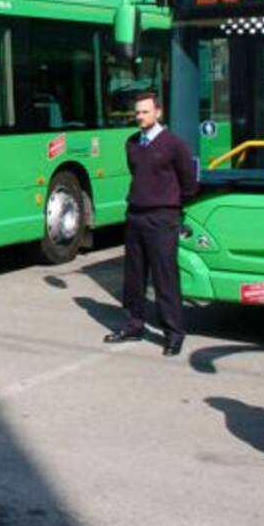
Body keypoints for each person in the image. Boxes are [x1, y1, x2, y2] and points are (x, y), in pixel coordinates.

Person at [104, 90, 198, 356]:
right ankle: (134, 325)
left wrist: (170, 206)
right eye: (137, 112)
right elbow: (137, 173)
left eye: (145, 112)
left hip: (162, 218)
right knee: (134, 277)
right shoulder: (132, 143)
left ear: (158, 112)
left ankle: (174, 333)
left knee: (164, 277)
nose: (140, 116)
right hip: (136, 215)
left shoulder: (174, 144)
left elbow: (189, 183)